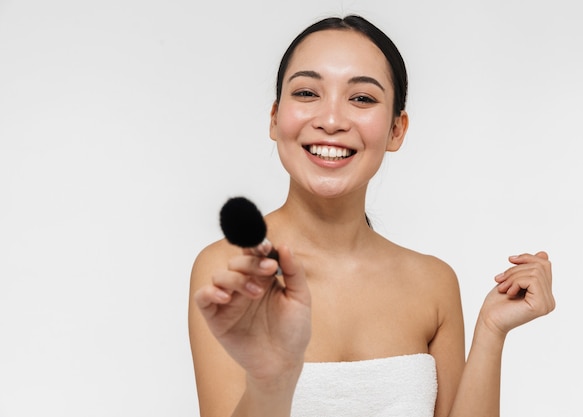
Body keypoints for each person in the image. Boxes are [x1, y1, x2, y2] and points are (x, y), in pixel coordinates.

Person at [188, 14, 555, 417]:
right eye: (308, 92)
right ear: (275, 118)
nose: (330, 120)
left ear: (397, 129)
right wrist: (272, 379)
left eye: (361, 98)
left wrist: (491, 332)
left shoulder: (433, 284)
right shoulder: (231, 270)